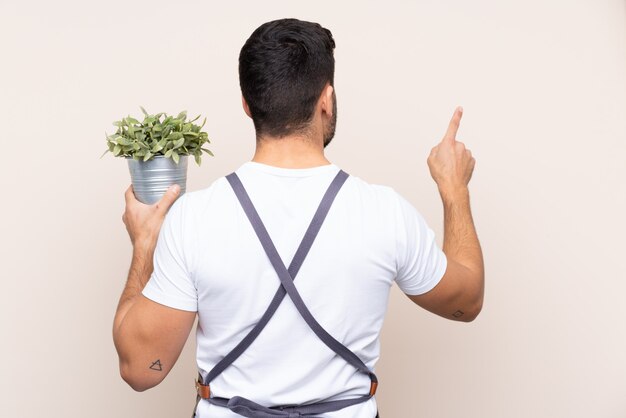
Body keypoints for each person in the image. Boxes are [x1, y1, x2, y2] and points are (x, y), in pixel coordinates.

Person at [113, 18, 484, 418]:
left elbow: (141, 370)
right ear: (327, 98)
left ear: (247, 104)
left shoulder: (194, 217)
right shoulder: (383, 211)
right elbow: (466, 301)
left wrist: (145, 245)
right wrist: (453, 189)